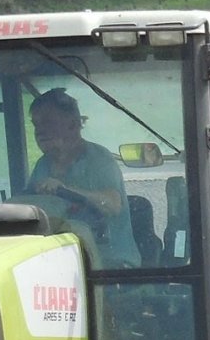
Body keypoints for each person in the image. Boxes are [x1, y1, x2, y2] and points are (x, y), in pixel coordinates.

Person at [24, 87, 138, 267]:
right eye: (36, 124)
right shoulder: (43, 165)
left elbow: (113, 205)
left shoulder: (99, 159)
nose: (40, 131)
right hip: (62, 262)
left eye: (48, 122)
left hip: (110, 268)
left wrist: (64, 189)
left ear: (73, 124)